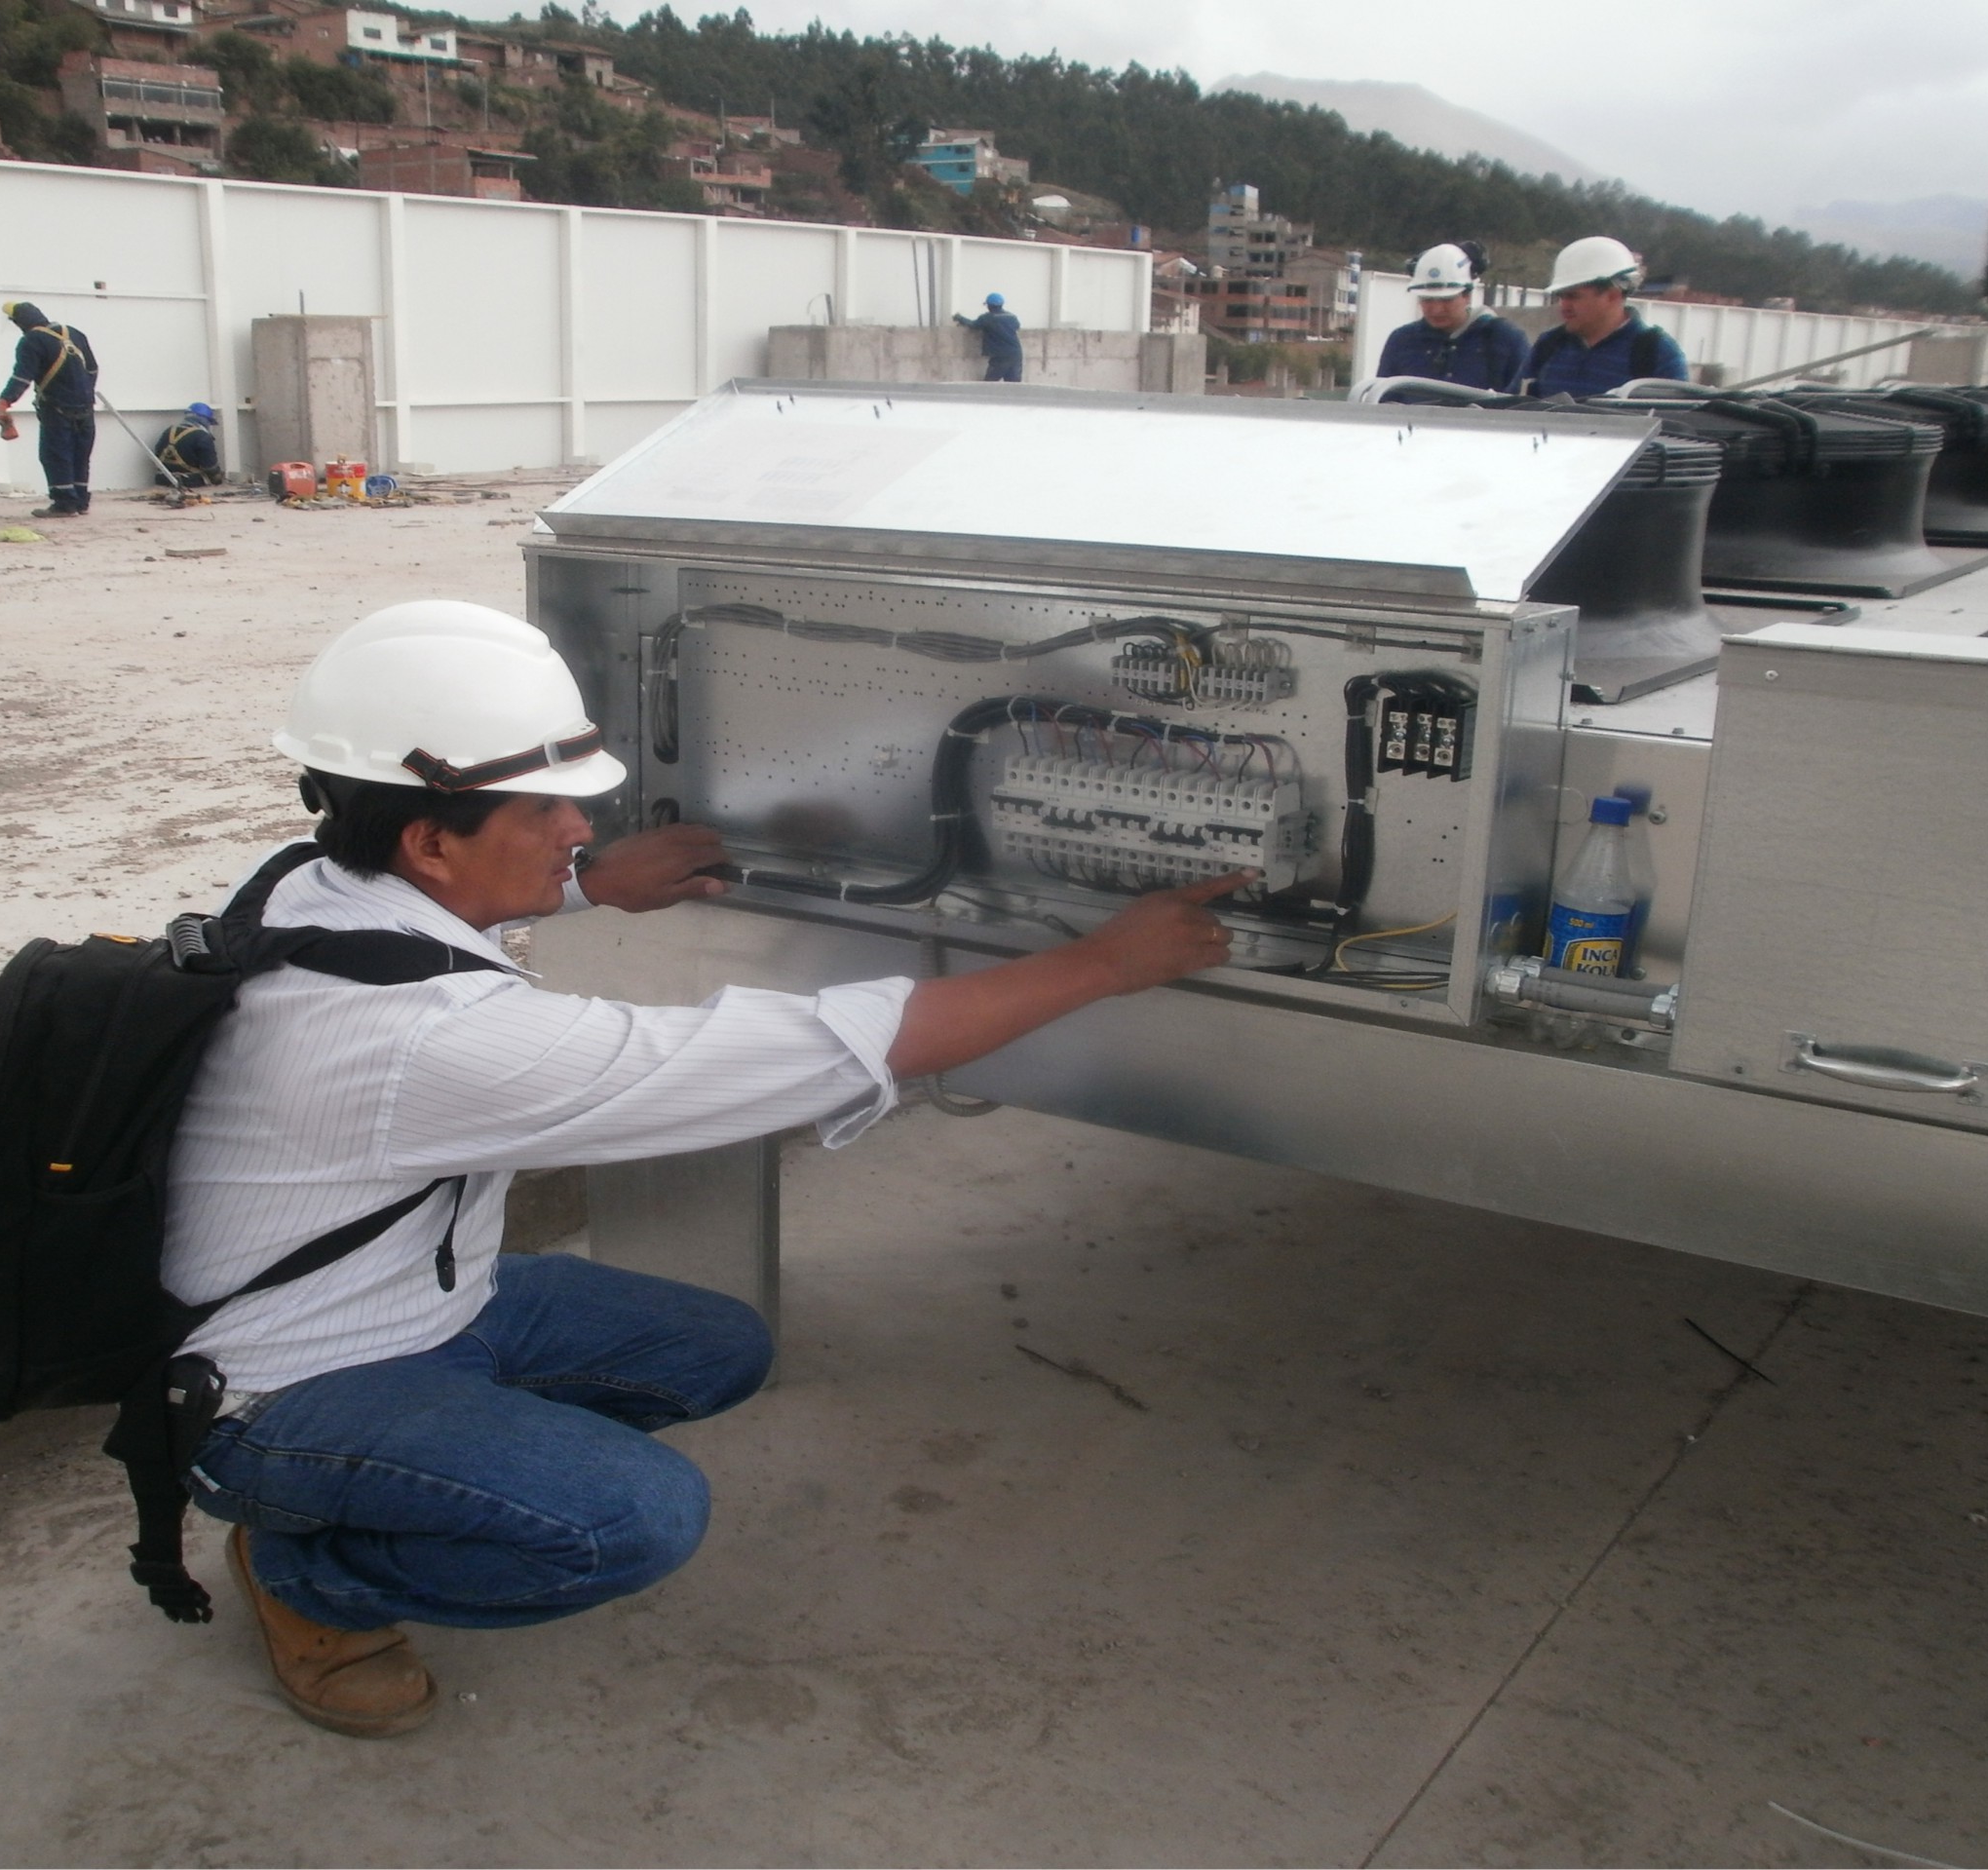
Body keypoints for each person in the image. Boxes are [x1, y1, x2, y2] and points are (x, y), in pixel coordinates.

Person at [168, 601, 1242, 1736]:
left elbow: (418, 919)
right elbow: (831, 1047)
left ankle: (420, 1462)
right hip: (280, 1384)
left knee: (713, 1345)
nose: (580, 824)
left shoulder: (298, 877)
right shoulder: (437, 1041)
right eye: (548, 811)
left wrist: (587, 882)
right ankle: (306, 1575)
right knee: (629, 1518)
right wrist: (1104, 962)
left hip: (410, 1292)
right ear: (431, 842)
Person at [1520, 237, 1690, 400]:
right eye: (1560, 296)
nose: (1563, 305)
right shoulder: (1548, 346)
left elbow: (1675, 417)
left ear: (1612, 295)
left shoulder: (1657, 353)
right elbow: (1514, 409)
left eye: (1573, 296)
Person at [0, 301, 99, 518]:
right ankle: (80, 501)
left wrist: (4, 402)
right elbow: (93, 369)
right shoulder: (74, 333)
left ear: (19, 322)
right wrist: (83, 395)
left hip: (57, 408)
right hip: (86, 408)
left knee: (55, 454)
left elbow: (22, 377)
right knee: (80, 454)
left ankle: (64, 504)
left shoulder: (31, 340)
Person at [1372, 243, 1531, 392]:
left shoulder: (1505, 339)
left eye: (1446, 299)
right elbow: (1383, 402)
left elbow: (1524, 403)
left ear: (1467, 295)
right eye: (1427, 300)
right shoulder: (1402, 341)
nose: (1436, 309)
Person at [955, 291, 1024, 383]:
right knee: (1014, 385)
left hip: (1000, 355)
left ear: (989, 305)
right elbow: (1017, 326)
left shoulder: (987, 318)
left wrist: (960, 318)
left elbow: (974, 325)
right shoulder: (1012, 317)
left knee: (989, 384)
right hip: (1016, 353)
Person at [154, 402, 226, 488]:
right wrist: (218, 480)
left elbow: (157, 452)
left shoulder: (169, 431)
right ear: (203, 419)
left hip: (163, 479)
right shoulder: (202, 436)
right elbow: (210, 468)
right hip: (189, 482)